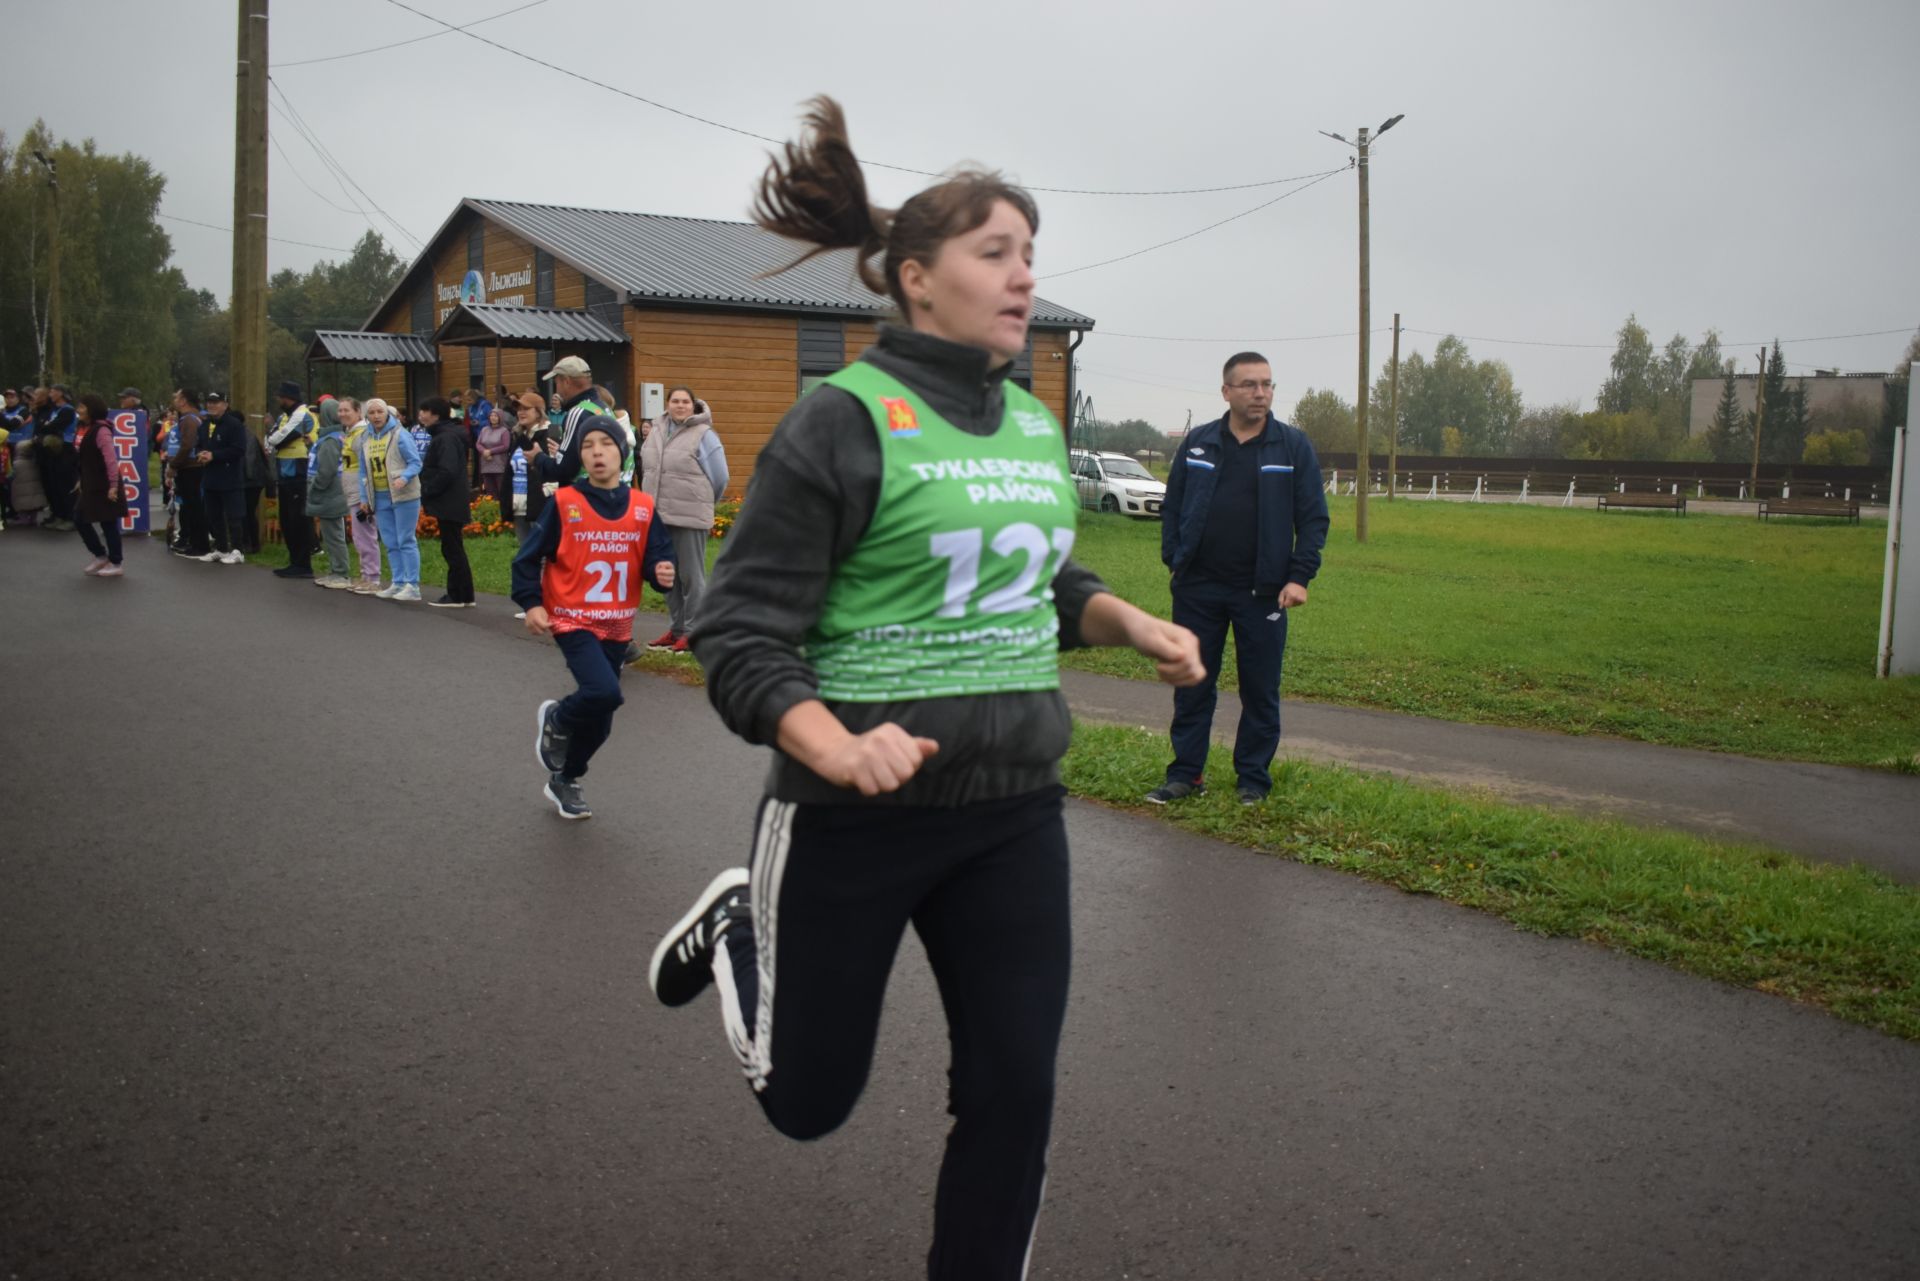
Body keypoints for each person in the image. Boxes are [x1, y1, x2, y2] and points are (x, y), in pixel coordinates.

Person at [644, 97, 1204, 1281]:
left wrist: (1127, 620)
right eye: (995, 252)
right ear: (915, 279)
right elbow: (736, 631)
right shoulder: (839, 423)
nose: (1023, 275)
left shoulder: (1037, 427)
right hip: (850, 815)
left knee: (1014, 1095)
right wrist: (835, 749)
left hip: (1012, 811)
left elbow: (1041, 579)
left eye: (1032, 253)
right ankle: (745, 926)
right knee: (807, 1104)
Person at [1148, 351, 1330, 807]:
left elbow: (1313, 520)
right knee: (1193, 685)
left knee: (1260, 690)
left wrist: (1299, 577)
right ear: (1226, 391)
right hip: (1198, 589)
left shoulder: (1291, 447)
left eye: (1267, 384)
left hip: (1263, 592)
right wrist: (1175, 558)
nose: (1261, 393)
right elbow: (1173, 505)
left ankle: (1252, 780)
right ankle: (1185, 775)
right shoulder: (1200, 443)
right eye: (1249, 384)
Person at [512, 414, 675, 818]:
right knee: (605, 692)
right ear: (581, 456)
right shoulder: (566, 503)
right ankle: (557, 717)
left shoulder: (642, 506)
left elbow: (657, 556)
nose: (597, 452)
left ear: (622, 452)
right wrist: (532, 602)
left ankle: (566, 779)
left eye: (606, 444)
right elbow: (527, 558)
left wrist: (661, 572)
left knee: (602, 720)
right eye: (588, 446)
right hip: (572, 618)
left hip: (618, 623)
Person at [640, 386, 729, 654]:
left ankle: (693, 632)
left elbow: (721, 477)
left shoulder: (704, 435)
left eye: (685, 402)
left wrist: (701, 502)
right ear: (667, 404)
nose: (680, 406)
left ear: (693, 405)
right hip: (658, 516)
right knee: (668, 576)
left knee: (691, 576)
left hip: (689, 516)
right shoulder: (656, 430)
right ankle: (677, 629)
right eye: (675, 401)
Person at [355, 398, 424, 602]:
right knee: (390, 541)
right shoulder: (365, 438)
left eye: (380, 412)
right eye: (372, 412)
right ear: (366, 416)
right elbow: (362, 470)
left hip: (404, 495)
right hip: (380, 496)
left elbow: (415, 462)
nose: (376, 416)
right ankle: (398, 581)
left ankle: (412, 585)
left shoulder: (400, 435)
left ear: (388, 414)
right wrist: (363, 496)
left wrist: (404, 477)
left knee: (405, 539)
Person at [418, 397, 475, 608]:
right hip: (453, 498)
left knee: (452, 548)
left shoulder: (445, 438)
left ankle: (457, 595)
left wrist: (428, 489)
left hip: (449, 499)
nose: (421, 415)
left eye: (425, 410)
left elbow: (447, 470)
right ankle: (465, 594)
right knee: (454, 546)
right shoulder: (448, 435)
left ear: (436, 415)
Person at [264, 382, 319, 578]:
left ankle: (303, 564)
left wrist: (276, 437)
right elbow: (270, 437)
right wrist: (276, 437)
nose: (278, 400)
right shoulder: (284, 416)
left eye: (281, 396)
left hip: (299, 471)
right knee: (286, 520)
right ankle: (294, 561)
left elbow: (278, 439)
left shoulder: (303, 414)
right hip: (285, 472)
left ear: (290, 397)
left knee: (298, 519)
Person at [71, 393, 129, 577]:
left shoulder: (101, 431)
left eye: (82, 407)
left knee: (108, 522)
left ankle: (116, 561)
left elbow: (111, 459)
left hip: (104, 484)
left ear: (91, 410)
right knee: (79, 518)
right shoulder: (84, 428)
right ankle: (100, 555)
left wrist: (113, 485)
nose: (78, 410)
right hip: (90, 482)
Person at [533, 355, 606, 490]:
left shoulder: (577, 413)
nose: (557, 391)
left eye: (557, 383)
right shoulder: (603, 408)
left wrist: (537, 457)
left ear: (566, 381)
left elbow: (564, 469)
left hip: (582, 498)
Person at [336, 398, 384, 593]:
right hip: (353, 489)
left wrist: (367, 495)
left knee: (365, 534)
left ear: (358, 412)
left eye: (346, 410)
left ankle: (372, 577)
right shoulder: (351, 433)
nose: (342, 414)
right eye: (340, 410)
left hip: (361, 490)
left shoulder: (361, 434)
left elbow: (367, 463)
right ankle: (366, 574)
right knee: (359, 534)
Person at [307, 398, 355, 589]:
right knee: (332, 533)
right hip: (332, 492)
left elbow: (326, 470)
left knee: (334, 535)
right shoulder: (333, 437)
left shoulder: (330, 440)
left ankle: (341, 573)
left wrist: (315, 486)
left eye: (320, 412)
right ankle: (336, 571)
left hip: (329, 493)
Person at [198, 392, 249, 565]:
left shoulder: (234, 425)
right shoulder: (204, 425)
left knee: (234, 515)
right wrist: (201, 454)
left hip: (230, 477)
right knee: (213, 514)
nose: (211, 405)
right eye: (209, 402)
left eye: (216, 402)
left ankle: (238, 550)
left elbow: (239, 450)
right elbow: (199, 444)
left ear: (225, 405)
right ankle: (220, 547)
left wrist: (215, 455)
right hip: (210, 477)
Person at [168, 390, 210, 559]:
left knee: (194, 507)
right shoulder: (190, 418)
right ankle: (194, 542)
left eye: (177, 397)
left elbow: (187, 445)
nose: (174, 399)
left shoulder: (189, 419)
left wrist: (174, 465)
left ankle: (200, 545)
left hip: (191, 468)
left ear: (184, 400)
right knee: (191, 507)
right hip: (189, 467)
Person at [37, 385, 77, 531]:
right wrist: (47, 425)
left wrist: (47, 425)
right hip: (53, 450)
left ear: (61, 393)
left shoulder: (68, 410)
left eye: (53, 391)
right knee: (53, 484)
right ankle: (58, 514)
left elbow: (53, 426)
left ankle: (70, 517)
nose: (50, 393)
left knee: (65, 484)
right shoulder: (54, 410)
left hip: (65, 448)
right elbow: (42, 425)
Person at [475, 406, 512, 510]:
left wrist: (490, 451)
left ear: (500, 417)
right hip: (486, 463)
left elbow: (505, 446)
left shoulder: (504, 431)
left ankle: (503, 510)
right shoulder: (484, 429)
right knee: (489, 490)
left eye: (495, 416)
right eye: (491, 415)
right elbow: (478, 443)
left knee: (500, 489)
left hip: (499, 464)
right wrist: (484, 451)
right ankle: (492, 509)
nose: (493, 417)